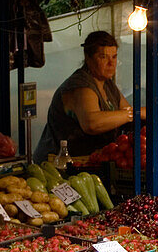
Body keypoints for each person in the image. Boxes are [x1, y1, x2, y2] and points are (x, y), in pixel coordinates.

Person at [33, 31, 145, 161]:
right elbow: (92, 123)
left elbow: (125, 114)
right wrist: (135, 113)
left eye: (114, 57)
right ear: (88, 58)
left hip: (92, 161)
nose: (111, 63)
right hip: (61, 164)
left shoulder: (107, 84)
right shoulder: (80, 85)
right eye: (103, 57)